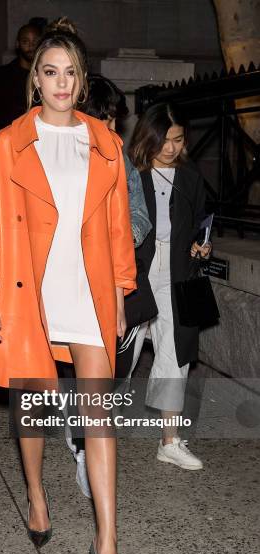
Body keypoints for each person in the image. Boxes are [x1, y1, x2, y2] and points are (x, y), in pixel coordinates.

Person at [0, 18, 137, 554]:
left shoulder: (105, 143)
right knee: (34, 410)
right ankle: (37, 496)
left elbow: (116, 233)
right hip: (27, 294)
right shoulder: (8, 143)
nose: (61, 83)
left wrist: (118, 297)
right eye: (50, 71)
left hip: (86, 294)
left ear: (82, 81)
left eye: (71, 73)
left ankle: (106, 541)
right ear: (34, 79)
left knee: (100, 419)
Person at [70, 73, 152, 498]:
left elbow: (140, 215)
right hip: (70, 285)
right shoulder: (58, 158)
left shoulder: (119, 158)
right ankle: (85, 450)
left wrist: (121, 232)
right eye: (106, 118)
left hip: (115, 284)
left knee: (115, 372)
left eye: (116, 120)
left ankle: (83, 429)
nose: (113, 129)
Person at [127, 102, 211, 470]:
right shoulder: (131, 173)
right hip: (136, 269)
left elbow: (200, 222)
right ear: (149, 136)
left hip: (178, 270)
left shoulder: (191, 177)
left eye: (178, 140)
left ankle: (170, 440)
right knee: (121, 353)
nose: (172, 147)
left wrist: (202, 244)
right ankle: (92, 435)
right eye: (165, 139)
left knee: (175, 355)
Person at [0, 22, 41, 137]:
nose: (31, 46)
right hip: (9, 138)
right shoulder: (1, 75)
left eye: (35, 42)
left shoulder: (47, 75)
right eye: (26, 41)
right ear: (17, 44)